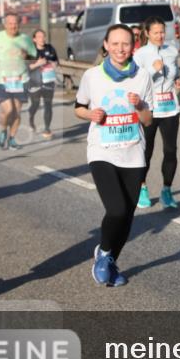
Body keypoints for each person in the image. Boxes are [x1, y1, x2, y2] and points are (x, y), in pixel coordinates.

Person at [74, 24, 154, 287]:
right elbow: (79, 107)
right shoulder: (92, 76)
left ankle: (110, 261)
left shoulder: (142, 77)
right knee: (116, 209)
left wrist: (140, 105)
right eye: (115, 43)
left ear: (134, 46)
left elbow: (148, 120)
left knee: (128, 216)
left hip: (133, 153)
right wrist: (91, 115)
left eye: (126, 44)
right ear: (106, 45)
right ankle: (103, 252)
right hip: (102, 151)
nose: (121, 49)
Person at [132, 16, 180, 209]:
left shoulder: (172, 51)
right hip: (149, 108)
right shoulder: (141, 54)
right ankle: (142, 187)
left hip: (170, 108)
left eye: (162, 32)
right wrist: (153, 72)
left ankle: (166, 190)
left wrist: (177, 78)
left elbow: (175, 72)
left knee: (171, 150)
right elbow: (136, 82)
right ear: (147, 34)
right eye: (156, 32)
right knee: (147, 151)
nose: (160, 36)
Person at [0, 12, 36, 150]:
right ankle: (3, 131)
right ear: (5, 24)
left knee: (17, 112)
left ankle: (12, 139)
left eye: (15, 23)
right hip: (2, 79)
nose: (13, 26)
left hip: (21, 78)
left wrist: (27, 55)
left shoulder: (25, 39)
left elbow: (33, 56)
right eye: (10, 23)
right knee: (8, 110)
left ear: (19, 24)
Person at [26, 29, 59, 140]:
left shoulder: (50, 48)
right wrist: (37, 64)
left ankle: (47, 128)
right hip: (35, 82)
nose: (42, 39)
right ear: (34, 39)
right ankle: (31, 118)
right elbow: (27, 68)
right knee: (35, 105)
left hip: (48, 81)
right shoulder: (30, 51)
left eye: (43, 36)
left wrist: (53, 64)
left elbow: (56, 61)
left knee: (48, 105)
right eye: (39, 37)